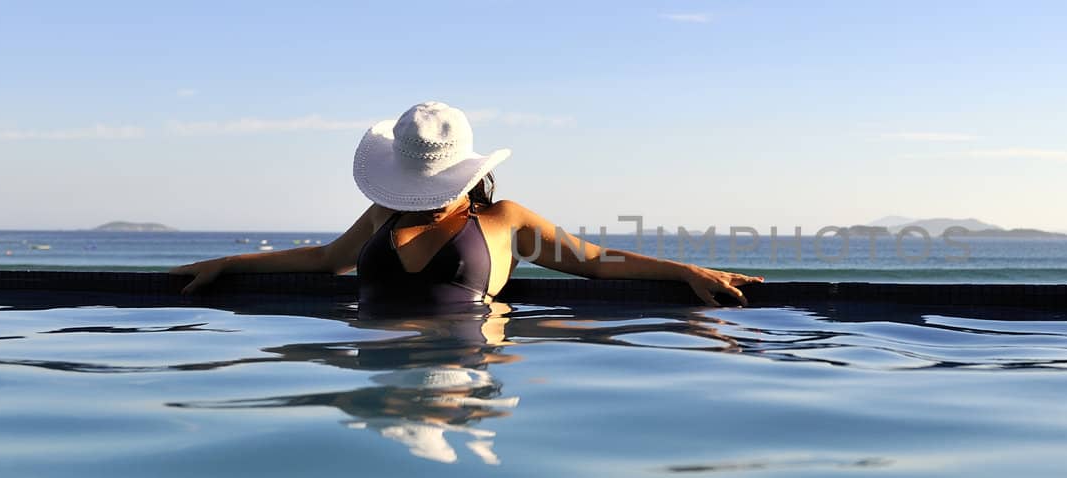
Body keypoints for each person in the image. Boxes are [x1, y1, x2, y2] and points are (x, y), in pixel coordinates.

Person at [171, 101, 761, 309]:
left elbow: (594, 260)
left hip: (463, 366)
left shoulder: (504, 221)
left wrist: (685, 271)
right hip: (377, 363)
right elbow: (327, 259)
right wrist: (229, 264)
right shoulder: (385, 213)